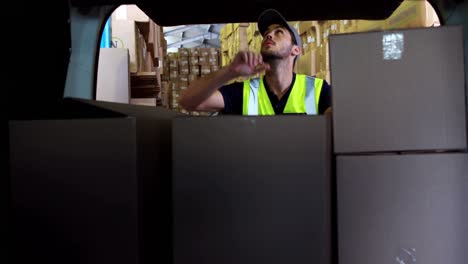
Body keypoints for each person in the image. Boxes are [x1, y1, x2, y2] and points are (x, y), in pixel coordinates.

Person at [179, 8, 331, 115]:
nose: (269, 35)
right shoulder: (245, 93)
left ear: (295, 50)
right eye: (266, 33)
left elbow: (341, 128)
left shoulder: (317, 90)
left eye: (278, 32)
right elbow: (187, 101)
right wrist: (230, 71)